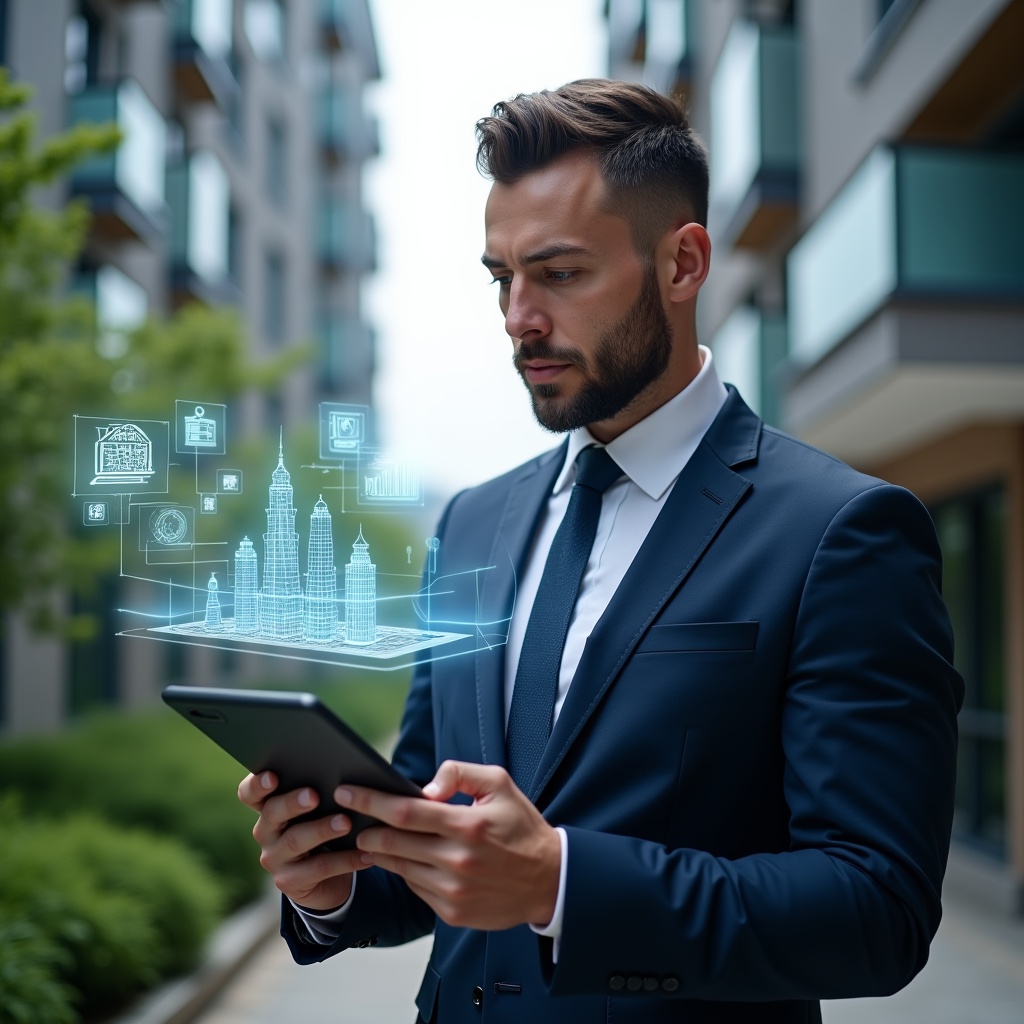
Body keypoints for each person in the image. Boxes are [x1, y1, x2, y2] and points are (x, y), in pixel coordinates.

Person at [238, 80, 963, 1024]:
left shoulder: (843, 531)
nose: (518, 317)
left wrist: (560, 886)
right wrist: (329, 881)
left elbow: (877, 911)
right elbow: (431, 843)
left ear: (684, 263)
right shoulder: (471, 524)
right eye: (502, 277)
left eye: (561, 274)